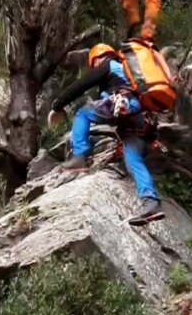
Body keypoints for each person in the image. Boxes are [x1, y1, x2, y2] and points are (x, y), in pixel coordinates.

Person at [47, 43, 165, 226]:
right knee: (133, 159)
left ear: (97, 59)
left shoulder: (109, 64)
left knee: (83, 113)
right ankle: (151, 203)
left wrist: (57, 106)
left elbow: (82, 84)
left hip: (123, 101)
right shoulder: (131, 74)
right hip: (140, 120)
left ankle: (79, 157)